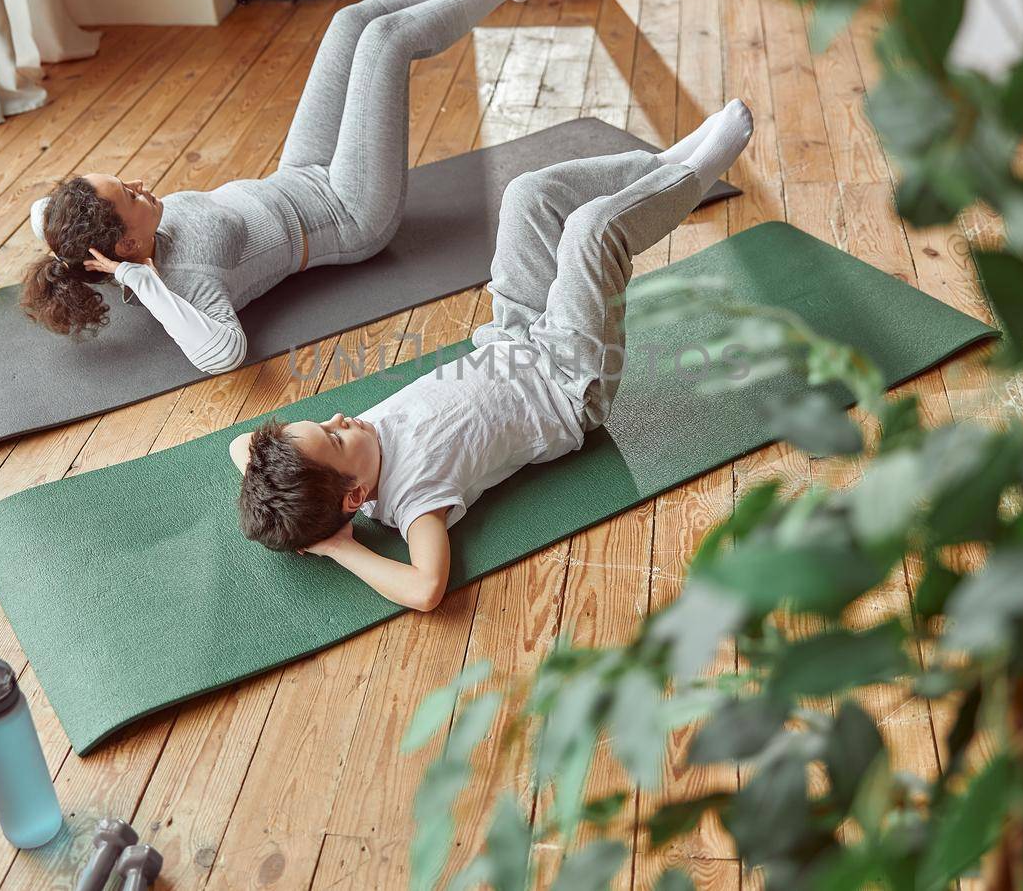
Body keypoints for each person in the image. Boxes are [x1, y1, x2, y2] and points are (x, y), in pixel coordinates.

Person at [229, 98, 755, 610]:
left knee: (528, 195)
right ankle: (694, 175)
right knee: (591, 234)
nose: (341, 418)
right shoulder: (412, 499)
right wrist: (338, 546)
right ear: (353, 498)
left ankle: (661, 170)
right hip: (566, 380)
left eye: (326, 423)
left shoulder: (345, 456)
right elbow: (423, 589)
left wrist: (293, 490)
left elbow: (241, 447)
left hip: (514, 335)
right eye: (334, 435)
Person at [21, 0, 559, 374]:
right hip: (350, 211)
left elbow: (44, 210)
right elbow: (221, 352)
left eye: (126, 182)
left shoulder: (116, 240)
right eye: (130, 195)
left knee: (350, 22)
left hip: (300, 173)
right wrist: (139, 281)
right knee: (385, 41)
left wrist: (78, 241)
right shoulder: (186, 281)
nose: (141, 184)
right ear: (128, 246)